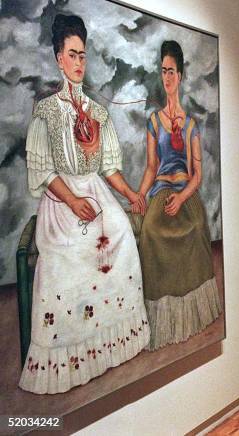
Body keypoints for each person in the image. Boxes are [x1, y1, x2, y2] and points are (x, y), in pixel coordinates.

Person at [20, 14, 150, 394]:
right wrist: (73, 199)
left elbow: (108, 167)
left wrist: (129, 194)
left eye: (83, 55)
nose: (79, 63)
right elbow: (43, 171)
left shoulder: (97, 112)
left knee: (122, 234)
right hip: (62, 202)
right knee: (70, 254)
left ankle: (112, 344)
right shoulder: (46, 111)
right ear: (58, 58)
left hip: (96, 193)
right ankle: (70, 357)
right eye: (72, 55)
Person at [134, 40, 221, 350]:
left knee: (196, 228)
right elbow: (150, 168)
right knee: (152, 232)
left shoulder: (191, 126)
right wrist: (138, 197)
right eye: (163, 71)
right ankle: (159, 321)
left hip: (185, 193)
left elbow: (197, 174)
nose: (167, 77)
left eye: (171, 71)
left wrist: (183, 197)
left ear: (181, 76)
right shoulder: (154, 121)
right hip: (160, 191)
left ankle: (191, 316)